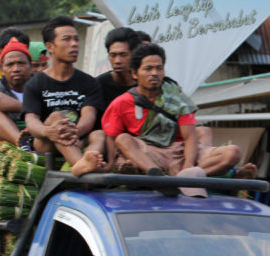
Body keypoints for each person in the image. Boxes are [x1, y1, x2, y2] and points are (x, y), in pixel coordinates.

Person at [97, 43, 255, 183]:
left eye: (159, 68)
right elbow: (111, 139)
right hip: (148, 152)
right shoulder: (121, 102)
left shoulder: (176, 97)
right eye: (148, 68)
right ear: (134, 73)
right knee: (123, 139)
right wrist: (111, 164)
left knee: (232, 152)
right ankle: (159, 177)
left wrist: (187, 165)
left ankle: (184, 179)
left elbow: (190, 136)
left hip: (179, 151)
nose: (155, 73)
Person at [23, 16, 107, 175]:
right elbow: (31, 120)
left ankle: (88, 162)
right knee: (56, 117)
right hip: (45, 141)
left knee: (98, 134)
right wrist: (47, 131)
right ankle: (82, 167)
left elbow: (89, 116)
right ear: (50, 47)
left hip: (77, 137)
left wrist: (76, 130)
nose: (74, 44)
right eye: (66, 39)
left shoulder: (90, 82)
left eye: (76, 39)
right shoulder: (34, 84)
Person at [0, 38, 32, 145]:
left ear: (30, 66)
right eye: (10, 64)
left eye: (21, 63)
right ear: (1, 70)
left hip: (35, 135)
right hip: (4, 141)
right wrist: (30, 108)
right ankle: (22, 143)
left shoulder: (39, 83)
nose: (16, 69)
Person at [96, 27, 141, 111]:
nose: (117, 61)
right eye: (113, 55)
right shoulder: (98, 85)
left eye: (123, 55)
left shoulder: (144, 84)